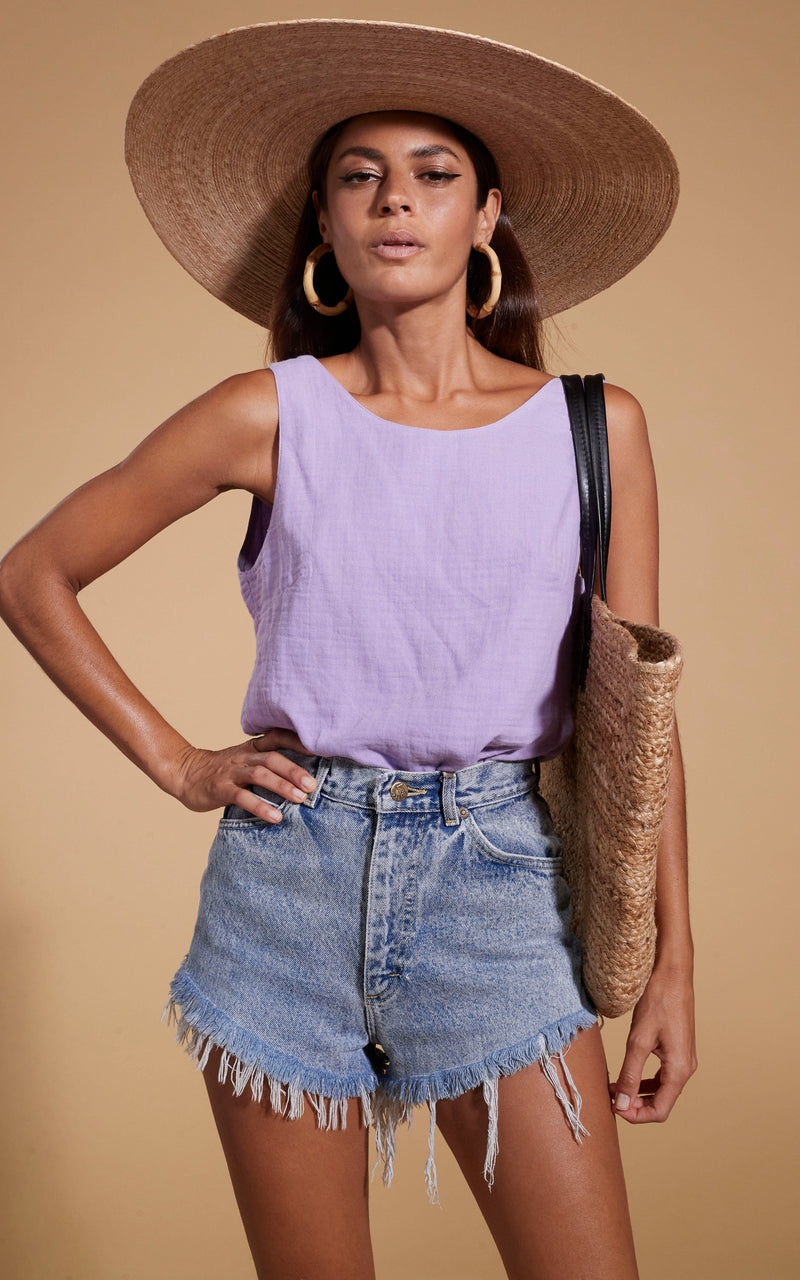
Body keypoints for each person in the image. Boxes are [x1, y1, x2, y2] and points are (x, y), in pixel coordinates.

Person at [0, 19, 696, 1280]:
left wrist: (668, 971)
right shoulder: (268, 412)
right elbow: (33, 572)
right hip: (287, 888)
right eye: (359, 175)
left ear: (487, 215)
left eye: (433, 174)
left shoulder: (595, 430)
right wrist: (176, 762)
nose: (395, 199)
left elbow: (633, 728)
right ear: (322, 225)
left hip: (499, 889)